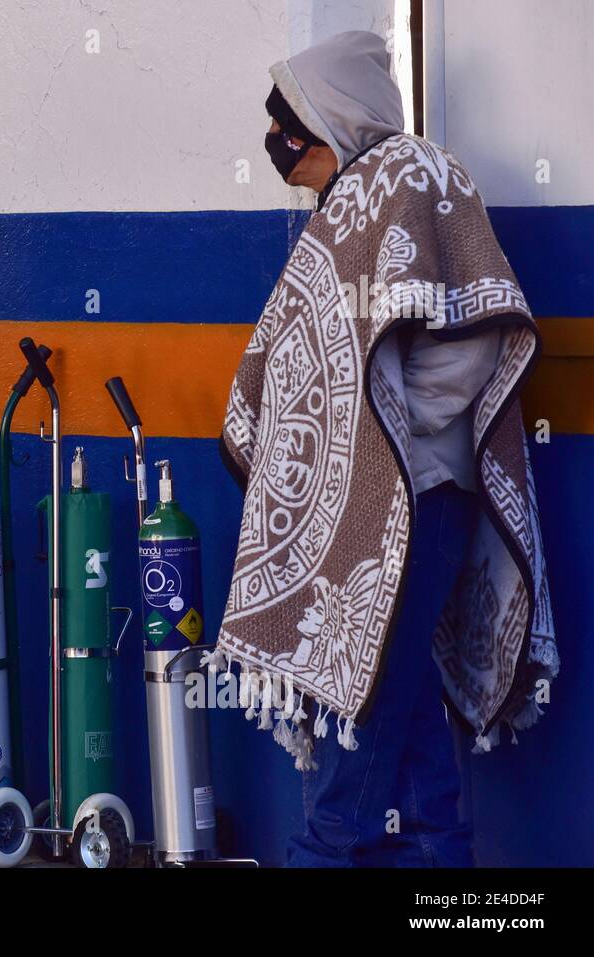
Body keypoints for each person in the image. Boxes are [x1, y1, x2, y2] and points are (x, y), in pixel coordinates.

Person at [215, 31, 556, 867]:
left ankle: (327, 854)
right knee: (401, 707)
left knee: (365, 707)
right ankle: (447, 868)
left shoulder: (415, 178)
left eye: (287, 124)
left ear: (330, 117)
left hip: (421, 498)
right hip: (371, 512)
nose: (276, 144)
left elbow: (480, 332)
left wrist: (391, 427)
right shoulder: (346, 204)